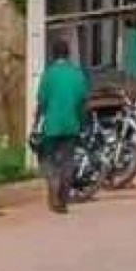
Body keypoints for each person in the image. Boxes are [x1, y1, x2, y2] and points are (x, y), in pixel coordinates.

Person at [34, 40, 89, 214]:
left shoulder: (48, 74)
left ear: (53, 54)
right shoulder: (77, 74)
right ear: (68, 54)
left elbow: (41, 102)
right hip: (72, 125)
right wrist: (81, 122)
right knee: (67, 161)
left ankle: (53, 184)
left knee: (47, 159)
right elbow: (83, 102)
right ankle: (63, 199)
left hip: (51, 125)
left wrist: (36, 123)